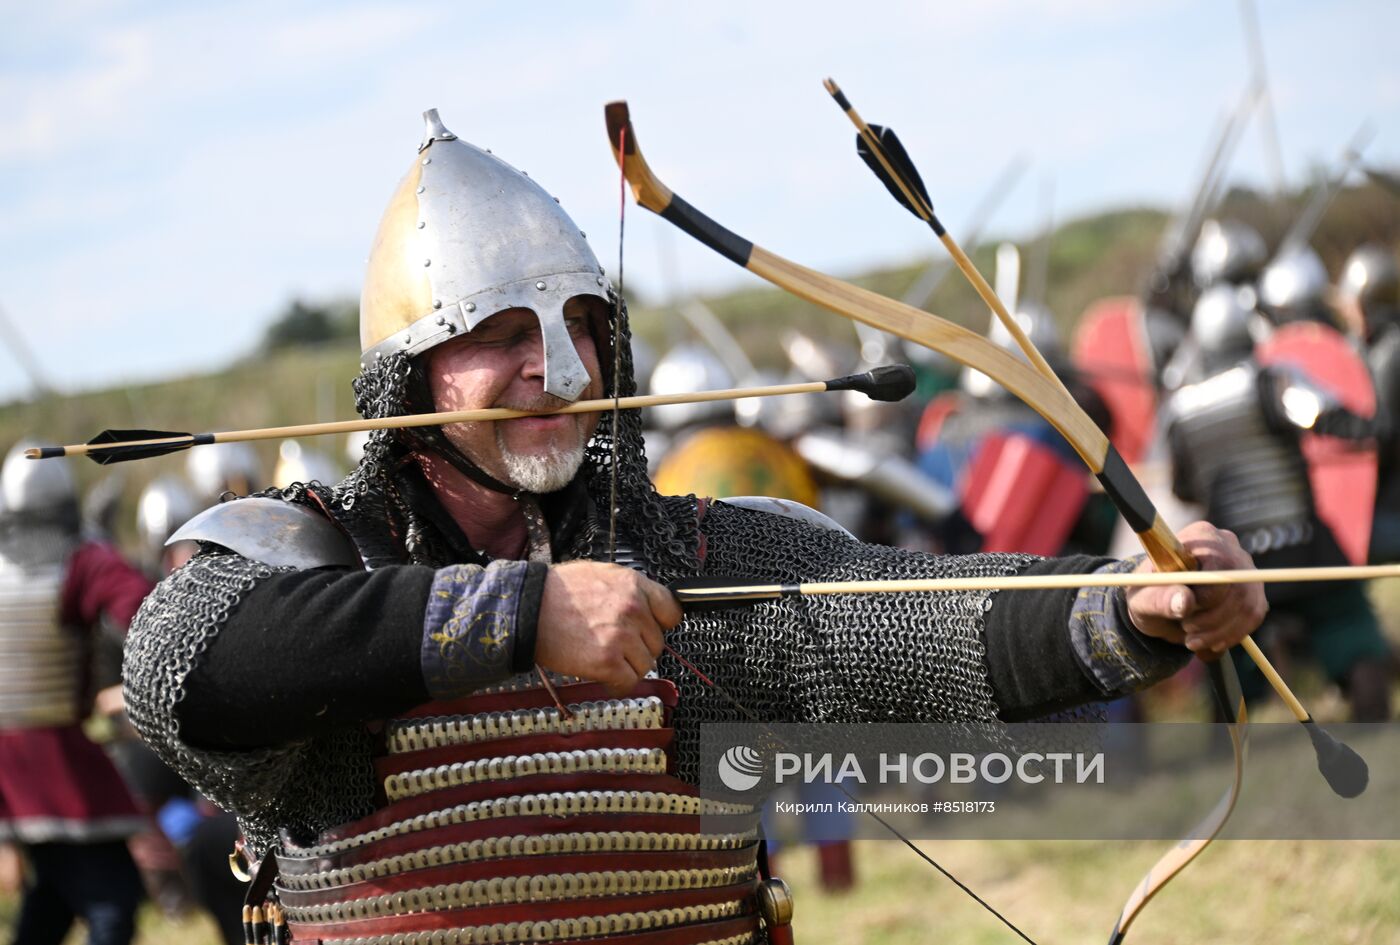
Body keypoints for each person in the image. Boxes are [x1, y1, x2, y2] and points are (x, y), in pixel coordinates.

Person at [123, 110, 1266, 945]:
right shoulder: (310, 557)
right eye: (503, 332)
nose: (555, 367)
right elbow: (184, 671)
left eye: (579, 322)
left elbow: (909, 627)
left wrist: (1129, 604)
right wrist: (521, 614)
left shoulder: (690, 559)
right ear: (411, 371)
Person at [0, 442, 151, 945]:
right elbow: (145, 611)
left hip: (7, 762)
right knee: (114, 896)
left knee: (58, 890)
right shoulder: (82, 560)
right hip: (55, 759)